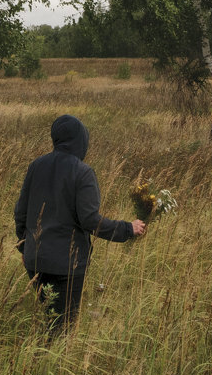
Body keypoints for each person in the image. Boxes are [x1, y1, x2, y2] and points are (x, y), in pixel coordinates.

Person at [13, 114, 145, 336]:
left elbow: (21, 213)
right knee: (63, 330)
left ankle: (38, 362)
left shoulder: (36, 166)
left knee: (50, 321)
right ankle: (48, 365)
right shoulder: (83, 172)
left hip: (35, 260)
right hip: (68, 265)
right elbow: (90, 220)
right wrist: (127, 229)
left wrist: (24, 247)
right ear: (81, 140)